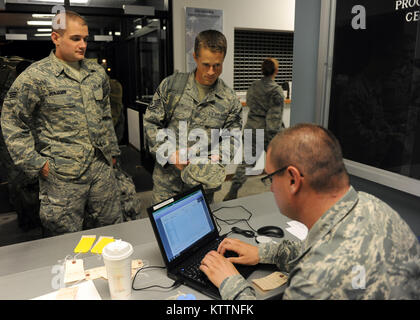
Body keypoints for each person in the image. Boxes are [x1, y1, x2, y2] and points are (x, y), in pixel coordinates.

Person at [200, 123, 420, 299]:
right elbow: (324, 249)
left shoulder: (316, 280)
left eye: (269, 178)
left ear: (293, 180)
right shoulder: (374, 207)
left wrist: (232, 284)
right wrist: (265, 253)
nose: (271, 187)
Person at [1, 10, 123, 236]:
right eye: (75, 38)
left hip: (100, 171)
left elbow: (105, 114)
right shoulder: (36, 77)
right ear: (56, 38)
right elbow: (12, 121)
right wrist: (36, 163)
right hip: (62, 176)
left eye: (85, 39)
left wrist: (112, 153)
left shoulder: (96, 73)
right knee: (65, 242)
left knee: (110, 233)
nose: (83, 45)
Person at [143, 29, 242, 204]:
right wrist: (171, 154)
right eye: (206, 64)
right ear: (195, 57)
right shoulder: (171, 86)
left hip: (202, 184)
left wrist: (215, 158)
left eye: (217, 65)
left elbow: (232, 138)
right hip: (168, 182)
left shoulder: (230, 99)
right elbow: (151, 123)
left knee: (200, 229)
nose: (211, 71)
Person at [224, 58, 285, 201]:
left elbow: (250, 102)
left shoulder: (253, 86)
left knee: (246, 163)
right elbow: (274, 119)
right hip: (266, 132)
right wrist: (275, 140)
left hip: (251, 128)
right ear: (275, 71)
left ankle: (232, 191)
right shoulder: (276, 90)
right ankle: (279, 194)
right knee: (277, 164)